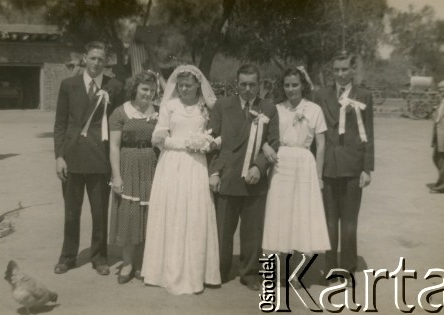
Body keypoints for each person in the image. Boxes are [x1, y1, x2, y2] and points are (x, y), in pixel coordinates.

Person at [141, 65, 221, 294]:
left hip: (196, 166)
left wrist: (205, 144)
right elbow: (158, 137)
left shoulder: (206, 108)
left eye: (188, 85)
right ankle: (165, 270)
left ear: (198, 85)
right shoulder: (170, 106)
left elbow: (215, 135)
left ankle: (196, 272)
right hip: (171, 165)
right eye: (181, 85)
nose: (184, 89)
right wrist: (187, 144)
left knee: (194, 213)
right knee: (172, 212)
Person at [53, 41, 124, 275]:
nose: (96, 63)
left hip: (100, 159)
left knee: (99, 212)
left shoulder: (115, 86)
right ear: (85, 58)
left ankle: (100, 257)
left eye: (100, 60)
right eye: (92, 58)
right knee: (71, 212)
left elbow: (119, 123)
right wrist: (59, 156)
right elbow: (61, 124)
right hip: (72, 159)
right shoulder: (68, 85)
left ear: (106, 62)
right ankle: (67, 257)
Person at [208, 64, 279, 291]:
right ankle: (220, 269)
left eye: (252, 84)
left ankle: (250, 273)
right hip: (228, 177)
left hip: (254, 180)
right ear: (236, 84)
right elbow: (213, 142)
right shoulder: (221, 105)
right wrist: (215, 172)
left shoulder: (268, 107)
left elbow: (274, 141)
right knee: (222, 231)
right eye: (243, 84)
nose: (248, 89)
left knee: (252, 231)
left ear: (259, 85)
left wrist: (259, 167)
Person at [314, 52, 374, 282]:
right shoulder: (321, 95)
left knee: (349, 221)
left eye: (344, 69)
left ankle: (348, 267)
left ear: (352, 70)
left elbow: (368, 133)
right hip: (328, 167)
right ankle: (330, 267)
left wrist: (367, 168)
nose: (340, 74)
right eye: (336, 69)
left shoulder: (364, 96)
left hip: (353, 168)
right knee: (329, 221)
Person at [261, 68, 330, 266]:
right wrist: (266, 147)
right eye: (287, 85)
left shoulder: (314, 109)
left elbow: (322, 145)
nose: (291, 89)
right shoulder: (277, 108)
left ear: (303, 85)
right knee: (280, 211)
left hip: (304, 163)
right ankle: (279, 263)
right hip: (281, 162)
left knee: (301, 211)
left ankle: (297, 267)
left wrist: (318, 176)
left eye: (295, 85)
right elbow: (263, 136)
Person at [108, 71, 159, 284]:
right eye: (144, 89)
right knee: (130, 215)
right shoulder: (120, 113)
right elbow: (114, 146)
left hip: (152, 165)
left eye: (152, 90)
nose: (148, 94)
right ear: (135, 89)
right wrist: (116, 177)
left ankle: (144, 263)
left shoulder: (158, 112)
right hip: (128, 165)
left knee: (149, 215)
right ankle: (128, 263)